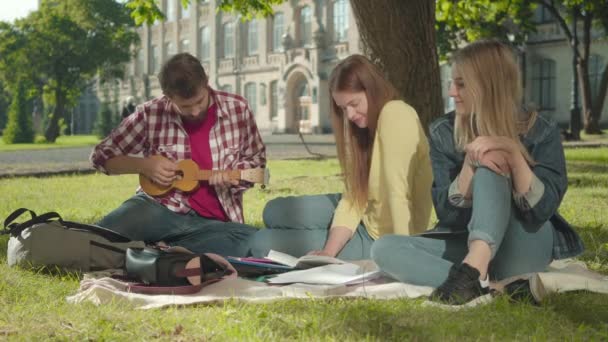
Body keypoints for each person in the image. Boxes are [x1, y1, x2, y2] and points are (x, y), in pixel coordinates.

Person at [371, 40, 584, 304]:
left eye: (460, 84)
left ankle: (473, 273)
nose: (451, 92)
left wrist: (514, 157)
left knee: (491, 158)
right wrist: (469, 167)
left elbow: (544, 210)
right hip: (467, 239)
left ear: (487, 85)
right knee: (384, 249)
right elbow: (447, 214)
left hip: (525, 241)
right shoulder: (443, 132)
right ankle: (493, 284)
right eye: (452, 83)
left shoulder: (540, 130)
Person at [248, 54, 433, 260]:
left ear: (372, 90)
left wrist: (404, 255)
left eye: (354, 103)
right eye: (344, 108)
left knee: (262, 242)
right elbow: (354, 196)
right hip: (363, 214)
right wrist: (328, 252)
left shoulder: (396, 114)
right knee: (273, 211)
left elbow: (398, 193)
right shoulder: (364, 130)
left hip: (382, 238)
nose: (350, 115)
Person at [90, 53, 266, 257]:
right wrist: (144, 165)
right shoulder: (150, 113)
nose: (194, 111)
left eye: (199, 101)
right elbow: (101, 156)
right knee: (95, 239)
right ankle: (164, 251)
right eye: (184, 106)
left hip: (215, 224)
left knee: (256, 241)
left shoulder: (238, 109)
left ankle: (158, 251)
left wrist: (234, 178)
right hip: (157, 208)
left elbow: (257, 163)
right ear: (167, 96)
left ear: (206, 82)